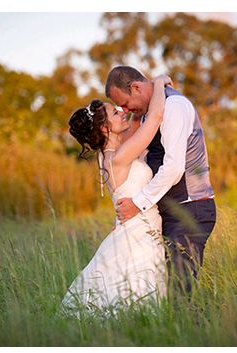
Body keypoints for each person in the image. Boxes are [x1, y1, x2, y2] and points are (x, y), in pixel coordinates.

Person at [60, 75, 173, 316]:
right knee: (140, 299)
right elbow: (153, 118)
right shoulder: (118, 158)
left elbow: (135, 122)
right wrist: (159, 84)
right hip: (139, 239)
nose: (122, 112)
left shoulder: (112, 153)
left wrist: (134, 104)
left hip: (137, 232)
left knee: (136, 299)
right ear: (104, 128)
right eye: (115, 113)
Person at [106, 66, 216, 297]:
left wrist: (138, 203)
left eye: (125, 104)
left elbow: (174, 168)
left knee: (179, 291)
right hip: (169, 212)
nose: (125, 111)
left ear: (136, 87)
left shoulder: (174, 106)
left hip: (190, 209)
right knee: (162, 290)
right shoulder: (149, 112)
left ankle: (190, 331)